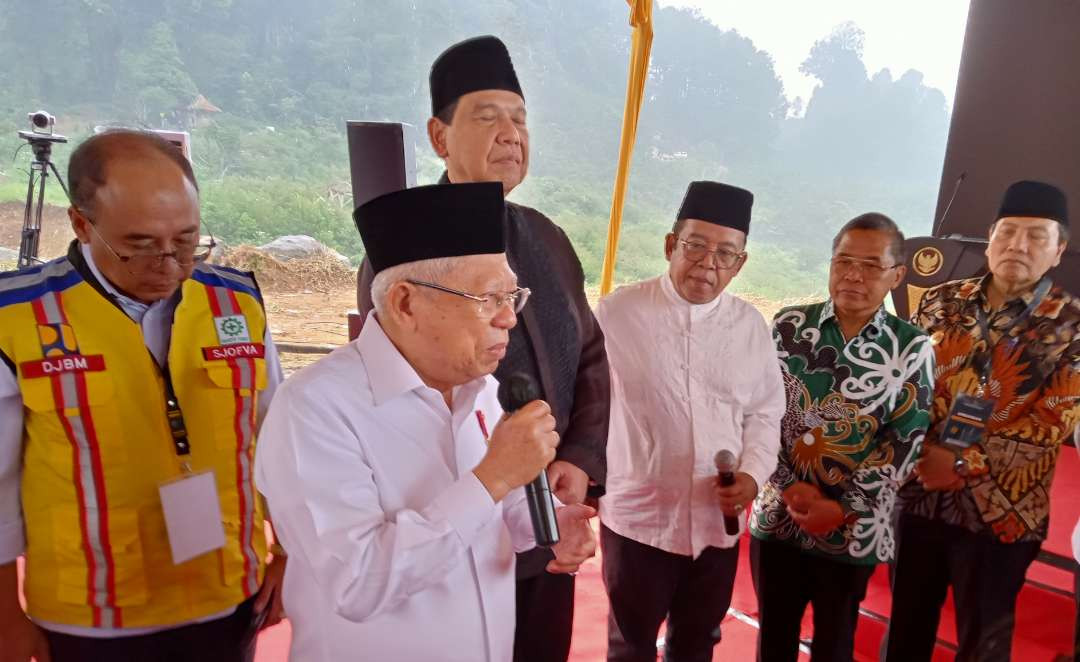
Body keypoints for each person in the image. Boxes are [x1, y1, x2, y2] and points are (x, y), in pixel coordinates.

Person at [255, 182, 597, 662]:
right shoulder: (313, 409)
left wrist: (550, 524)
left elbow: (499, 513)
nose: (509, 319)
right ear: (405, 304)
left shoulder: (482, 390)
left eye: (511, 296)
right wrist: (493, 476)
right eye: (488, 299)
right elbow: (359, 584)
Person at [355, 35, 610, 662]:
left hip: (547, 513)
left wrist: (577, 456)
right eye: (488, 116)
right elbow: (400, 400)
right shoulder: (406, 252)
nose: (511, 134)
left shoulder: (547, 238)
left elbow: (592, 356)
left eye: (520, 119)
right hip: (452, 520)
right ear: (440, 138)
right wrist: (496, 475)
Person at [0, 130, 286, 662]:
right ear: (82, 224)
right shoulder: (18, 318)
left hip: (227, 594)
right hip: (93, 615)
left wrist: (289, 552)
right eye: (139, 246)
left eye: (186, 241)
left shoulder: (236, 301)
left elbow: (276, 436)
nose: (169, 265)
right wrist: (3, 617)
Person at [886, 180, 1080, 662]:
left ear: (1059, 251)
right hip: (920, 501)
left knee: (983, 643)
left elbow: (1051, 423)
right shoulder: (939, 302)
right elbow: (911, 390)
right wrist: (918, 455)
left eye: (1036, 236)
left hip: (1003, 512)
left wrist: (955, 461)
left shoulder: (1072, 325)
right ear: (989, 237)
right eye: (1008, 232)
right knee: (906, 629)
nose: (1018, 244)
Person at [596, 181, 785, 661]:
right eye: (695, 245)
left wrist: (753, 475)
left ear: (740, 264)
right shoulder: (618, 313)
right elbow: (587, 403)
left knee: (697, 643)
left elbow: (765, 413)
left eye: (725, 253)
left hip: (714, 524)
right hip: (637, 520)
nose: (708, 263)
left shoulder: (749, 328)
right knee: (630, 645)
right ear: (669, 245)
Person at [750, 213, 934, 662]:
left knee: (835, 642)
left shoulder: (912, 347)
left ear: (897, 275)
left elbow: (905, 440)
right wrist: (787, 485)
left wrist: (842, 507)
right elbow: (760, 412)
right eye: (843, 261)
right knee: (773, 635)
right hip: (779, 514)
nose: (853, 275)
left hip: (854, 528)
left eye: (871, 266)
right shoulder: (790, 326)